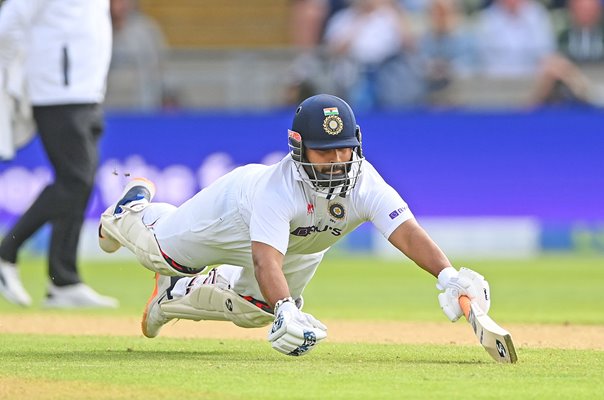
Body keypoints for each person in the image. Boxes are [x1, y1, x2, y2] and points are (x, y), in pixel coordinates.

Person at [98, 94, 491, 356]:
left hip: (306, 243)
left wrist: (449, 276)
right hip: (232, 215)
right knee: (159, 255)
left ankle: (173, 298)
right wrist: (287, 307)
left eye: (345, 149)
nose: (338, 159)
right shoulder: (277, 188)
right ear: (298, 147)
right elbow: (265, 259)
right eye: (324, 151)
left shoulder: (364, 180)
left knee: (255, 311)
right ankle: (129, 211)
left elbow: (405, 231)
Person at [0, 0, 118, 308]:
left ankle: (63, 281)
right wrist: (9, 71)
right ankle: (6, 252)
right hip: (56, 93)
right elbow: (11, 18)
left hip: (87, 92)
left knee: (81, 182)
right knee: (75, 180)